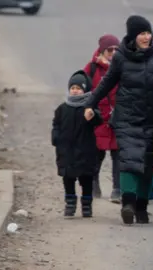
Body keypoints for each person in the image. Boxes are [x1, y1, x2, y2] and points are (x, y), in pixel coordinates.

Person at [84, 15, 153, 225]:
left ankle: (142, 207)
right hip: (127, 116)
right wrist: (90, 103)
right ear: (133, 36)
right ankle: (128, 203)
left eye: (148, 33)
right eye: (142, 34)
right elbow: (107, 82)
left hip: (152, 117)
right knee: (128, 160)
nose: (146, 37)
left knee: (147, 163)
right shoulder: (121, 57)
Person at [52, 70, 102, 218]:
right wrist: (55, 138)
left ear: (85, 90)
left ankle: (86, 205)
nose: (75, 91)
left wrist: (92, 116)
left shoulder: (89, 107)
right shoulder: (62, 108)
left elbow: (98, 121)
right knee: (68, 179)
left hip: (85, 150)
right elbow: (56, 125)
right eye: (73, 88)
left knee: (86, 179)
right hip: (66, 150)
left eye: (79, 88)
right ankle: (70, 203)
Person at [83, 34, 121, 203]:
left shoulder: (123, 67)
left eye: (116, 49)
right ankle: (93, 183)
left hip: (117, 118)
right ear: (102, 50)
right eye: (109, 49)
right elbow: (84, 91)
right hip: (98, 118)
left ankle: (117, 188)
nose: (113, 52)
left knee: (118, 155)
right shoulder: (92, 68)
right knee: (96, 154)